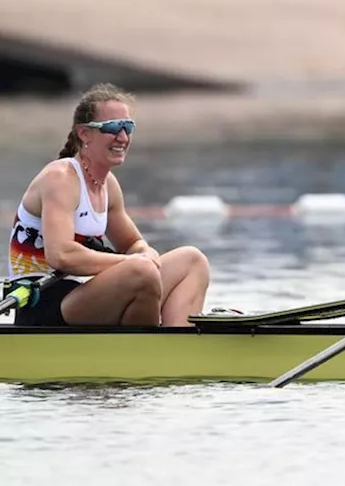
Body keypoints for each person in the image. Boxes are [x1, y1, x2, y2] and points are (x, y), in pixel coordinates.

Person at [6, 83, 211, 327]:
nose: (123, 137)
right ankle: (144, 353)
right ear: (84, 133)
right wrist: (132, 263)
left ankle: (180, 345)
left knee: (192, 261)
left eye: (128, 127)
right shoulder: (60, 179)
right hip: (44, 304)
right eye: (113, 128)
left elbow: (133, 244)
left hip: (85, 294)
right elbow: (61, 255)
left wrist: (145, 253)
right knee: (141, 274)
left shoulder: (108, 185)